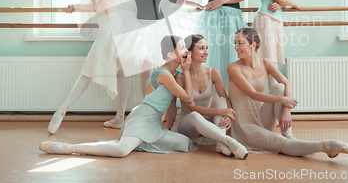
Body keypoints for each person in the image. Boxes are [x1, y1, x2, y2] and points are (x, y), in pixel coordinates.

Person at [39, 36, 244, 158]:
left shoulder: (175, 75)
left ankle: (141, 141)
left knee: (183, 144)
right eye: (182, 48)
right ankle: (69, 148)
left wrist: (167, 126)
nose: (186, 52)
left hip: (154, 122)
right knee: (121, 151)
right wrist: (188, 71)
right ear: (171, 55)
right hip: (142, 117)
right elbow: (188, 99)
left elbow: (172, 106)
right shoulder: (163, 74)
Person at [105, 0, 203, 128]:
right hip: (142, 27)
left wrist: (193, 3)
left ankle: (148, 114)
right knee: (125, 72)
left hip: (153, 25)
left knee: (146, 73)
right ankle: (122, 115)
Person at [227, 28, 348, 157]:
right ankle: (328, 146)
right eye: (235, 43)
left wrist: (287, 110)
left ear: (253, 45)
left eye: (240, 43)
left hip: (261, 118)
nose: (236, 47)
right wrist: (282, 100)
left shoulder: (266, 63)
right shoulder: (233, 68)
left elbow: (287, 84)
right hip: (244, 125)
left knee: (280, 88)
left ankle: (289, 135)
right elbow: (253, 94)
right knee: (277, 139)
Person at [47, 0, 131, 134]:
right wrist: (76, 7)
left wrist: (76, 6)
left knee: (92, 69)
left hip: (112, 24)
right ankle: (119, 117)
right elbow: (98, 3)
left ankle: (63, 109)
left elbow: (95, 1)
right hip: (109, 22)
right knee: (119, 71)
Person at [169, 34, 245, 158]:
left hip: (207, 120)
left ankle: (220, 144)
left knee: (220, 100)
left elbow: (224, 99)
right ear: (190, 52)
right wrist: (220, 110)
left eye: (207, 48)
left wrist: (228, 114)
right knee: (195, 115)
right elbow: (192, 108)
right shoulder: (180, 78)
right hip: (188, 124)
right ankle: (226, 140)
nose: (206, 52)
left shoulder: (213, 73)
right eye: (201, 48)